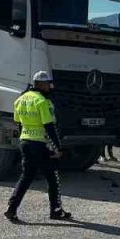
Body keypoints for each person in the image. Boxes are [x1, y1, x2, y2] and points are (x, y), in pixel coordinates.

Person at [5, 71, 72, 222]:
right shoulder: (42, 102)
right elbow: (49, 126)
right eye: (48, 84)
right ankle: (56, 210)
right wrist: (59, 148)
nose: (50, 87)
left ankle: (11, 208)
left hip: (25, 143)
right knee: (52, 177)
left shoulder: (20, 99)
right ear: (41, 84)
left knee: (26, 177)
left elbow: (19, 123)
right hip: (40, 144)